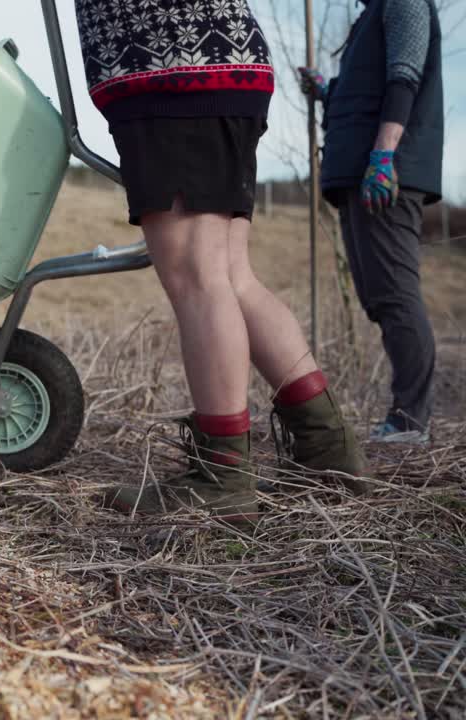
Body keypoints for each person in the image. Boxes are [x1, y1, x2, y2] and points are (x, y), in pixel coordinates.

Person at [72, 0, 367, 525]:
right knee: (232, 278)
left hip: (174, 68)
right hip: (215, 67)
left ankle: (224, 477)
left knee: (199, 279)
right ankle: (328, 451)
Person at [299, 0, 443, 444]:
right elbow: (366, 90)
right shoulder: (371, 13)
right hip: (354, 172)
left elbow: (404, 78)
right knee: (379, 297)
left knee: (396, 294)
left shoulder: (404, 3)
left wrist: (384, 153)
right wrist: (327, 92)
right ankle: (404, 418)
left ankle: (410, 421)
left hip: (384, 174)